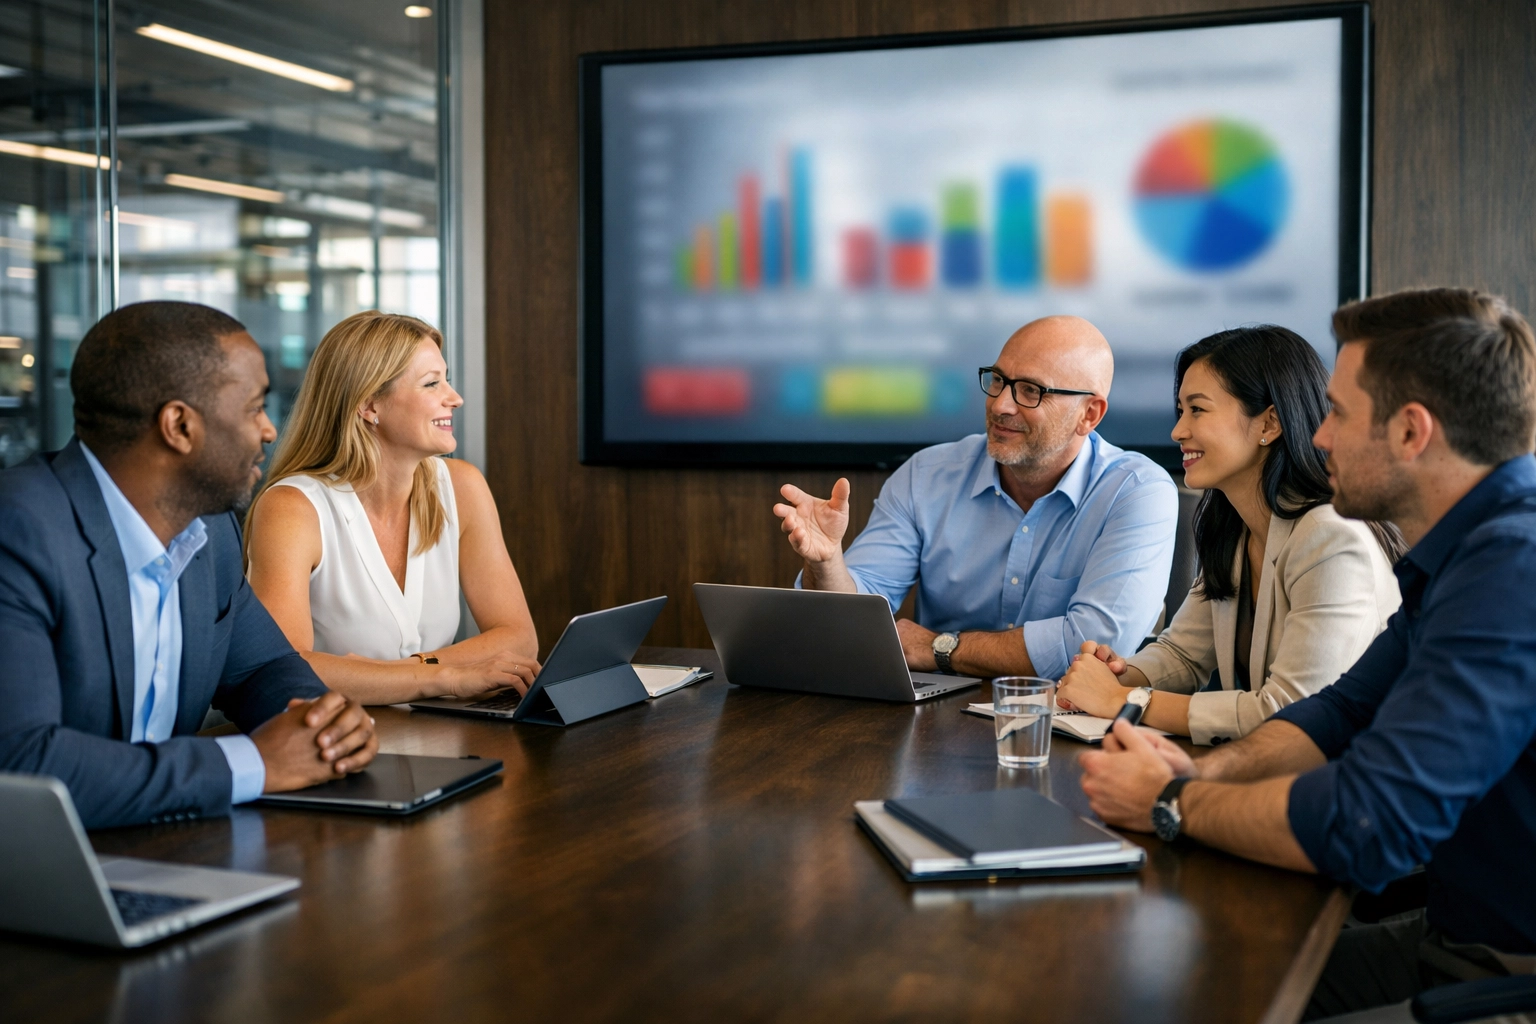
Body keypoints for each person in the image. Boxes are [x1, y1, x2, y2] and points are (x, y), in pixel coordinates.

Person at [1077, 288, 1536, 1022]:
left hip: (1505, 976)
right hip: (1454, 937)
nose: (1318, 437)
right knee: (1171, 980)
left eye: (1339, 414)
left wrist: (1172, 803)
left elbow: (1369, 822)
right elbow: (1339, 711)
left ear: (1413, 431)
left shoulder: (1513, 570)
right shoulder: (1468, 555)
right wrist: (1200, 769)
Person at [0, 301, 378, 829]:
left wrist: (322, 724)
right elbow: (23, 766)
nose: (269, 431)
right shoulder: (18, 531)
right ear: (179, 425)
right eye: (254, 408)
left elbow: (262, 669)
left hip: (169, 849)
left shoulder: (211, 531)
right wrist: (255, 763)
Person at [773, 316, 1178, 680]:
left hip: (1068, 728)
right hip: (932, 726)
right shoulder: (926, 475)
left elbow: (1091, 646)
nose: (1000, 405)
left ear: (1089, 415)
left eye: (1030, 391)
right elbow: (855, 621)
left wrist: (939, 649)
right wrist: (826, 564)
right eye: (999, 380)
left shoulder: (1137, 492)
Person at [1056, 326, 1403, 744]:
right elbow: (1183, 654)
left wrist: (1125, 699)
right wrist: (1118, 674)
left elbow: (1290, 712)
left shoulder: (1332, 539)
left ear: (1270, 423)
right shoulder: (1237, 527)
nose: (1177, 431)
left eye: (1197, 410)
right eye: (1180, 411)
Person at [244, 310, 540, 706]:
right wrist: (446, 677)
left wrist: (408, 672)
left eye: (446, 380)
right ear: (369, 405)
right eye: (432, 383)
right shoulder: (292, 509)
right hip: (336, 743)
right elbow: (284, 668)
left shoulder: (463, 487)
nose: (454, 398)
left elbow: (519, 640)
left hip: (435, 737)